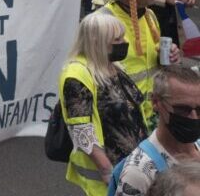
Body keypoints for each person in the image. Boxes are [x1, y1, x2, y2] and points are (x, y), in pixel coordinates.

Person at [59, 12, 149, 195]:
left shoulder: (111, 65)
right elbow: (81, 130)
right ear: (97, 41)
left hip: (132, 166)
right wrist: (108, 172)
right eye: (117, 39)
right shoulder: (77, 74)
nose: (124, 42)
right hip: (110, 177)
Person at [99, 0, 183, 123]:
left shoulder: (149, 15)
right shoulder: (103, 21)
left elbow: (154, 61)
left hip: (152, 112)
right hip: (121, 117)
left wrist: (168, 56)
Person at [113, 65, 200, 196]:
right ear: (155, 102)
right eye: (182, 109)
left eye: (199, 109)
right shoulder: (138, 172)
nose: (193, 117)